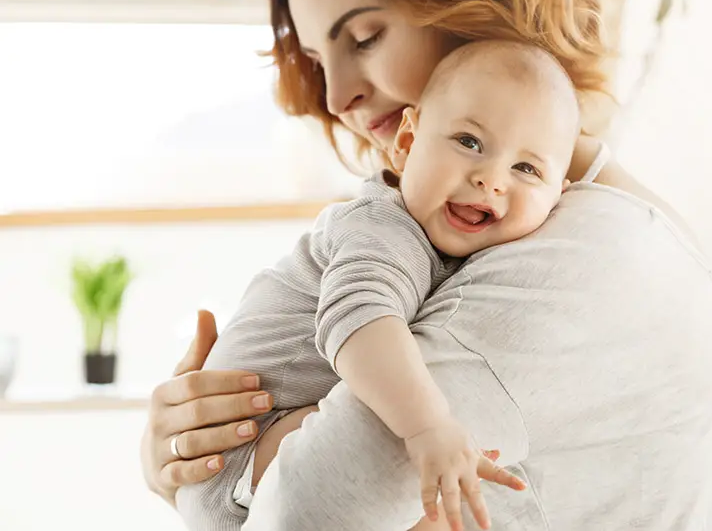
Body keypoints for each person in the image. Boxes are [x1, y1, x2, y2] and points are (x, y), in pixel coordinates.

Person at [140, 0, 712, 529]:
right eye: (317, 58)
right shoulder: (464, 222)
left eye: (365, 38)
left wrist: (235, 466)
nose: (337, 98)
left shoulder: (585, 256)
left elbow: (311, 510)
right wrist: (177, 461)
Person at [175, 40, 580, 531]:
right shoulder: (385, 230)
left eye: (526, 169)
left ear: (561, 195)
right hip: (245, 453)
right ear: (407, 144)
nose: (491, 179)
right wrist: (430, 427)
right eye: (469, 142)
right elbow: (360, 323)